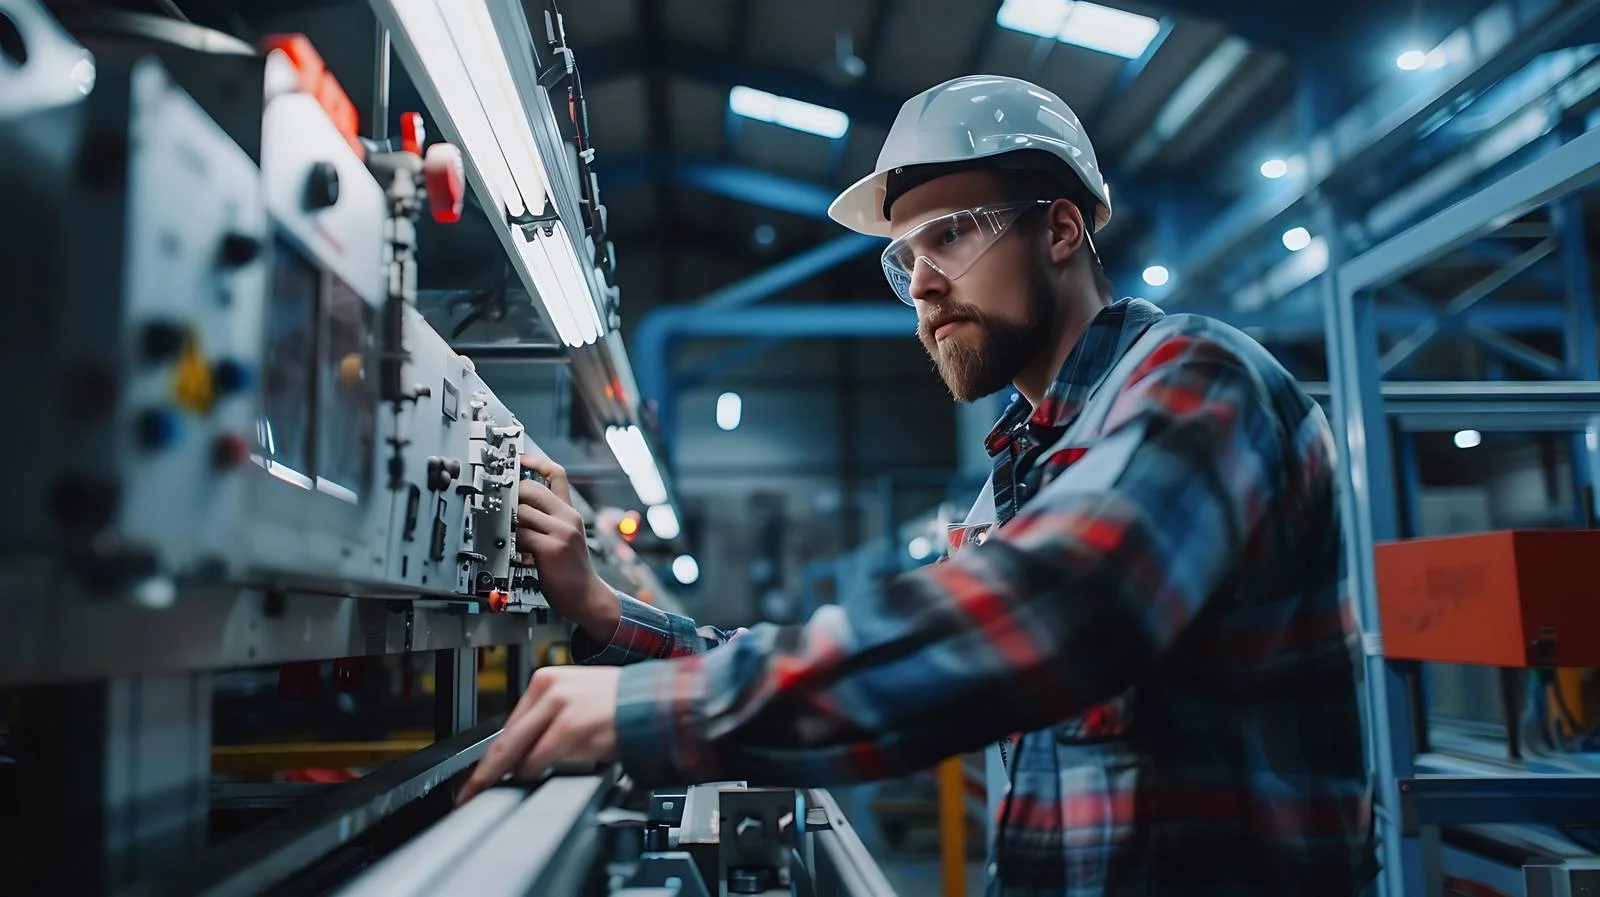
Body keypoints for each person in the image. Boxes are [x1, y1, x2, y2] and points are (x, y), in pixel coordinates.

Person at [458, 75, 1377, 896]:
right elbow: (876, 638)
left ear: (1062, 228)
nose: (925, 283)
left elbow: (1050, 618)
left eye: (952, 236)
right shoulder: (1020, 477)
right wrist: (606, 609)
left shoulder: (1200, 379)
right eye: (905, 260)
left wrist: (656, 712)